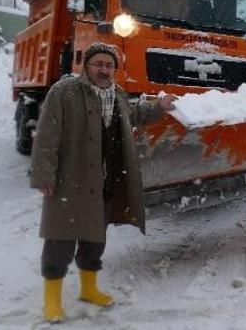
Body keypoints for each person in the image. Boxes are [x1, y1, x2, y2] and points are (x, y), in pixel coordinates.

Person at [30, 42, 177, 323]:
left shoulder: (117, 94)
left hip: (105, 180)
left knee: (94, 237)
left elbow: (132, 115)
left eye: (109, 65)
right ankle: (52, 300)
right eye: (98, 64)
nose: (104, 69)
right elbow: (47, 136)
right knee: (60, 239)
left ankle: (89, 289)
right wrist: (44, 175)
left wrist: (158, 106)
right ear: (85, 65)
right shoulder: (64, 92)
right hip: (69, 181)